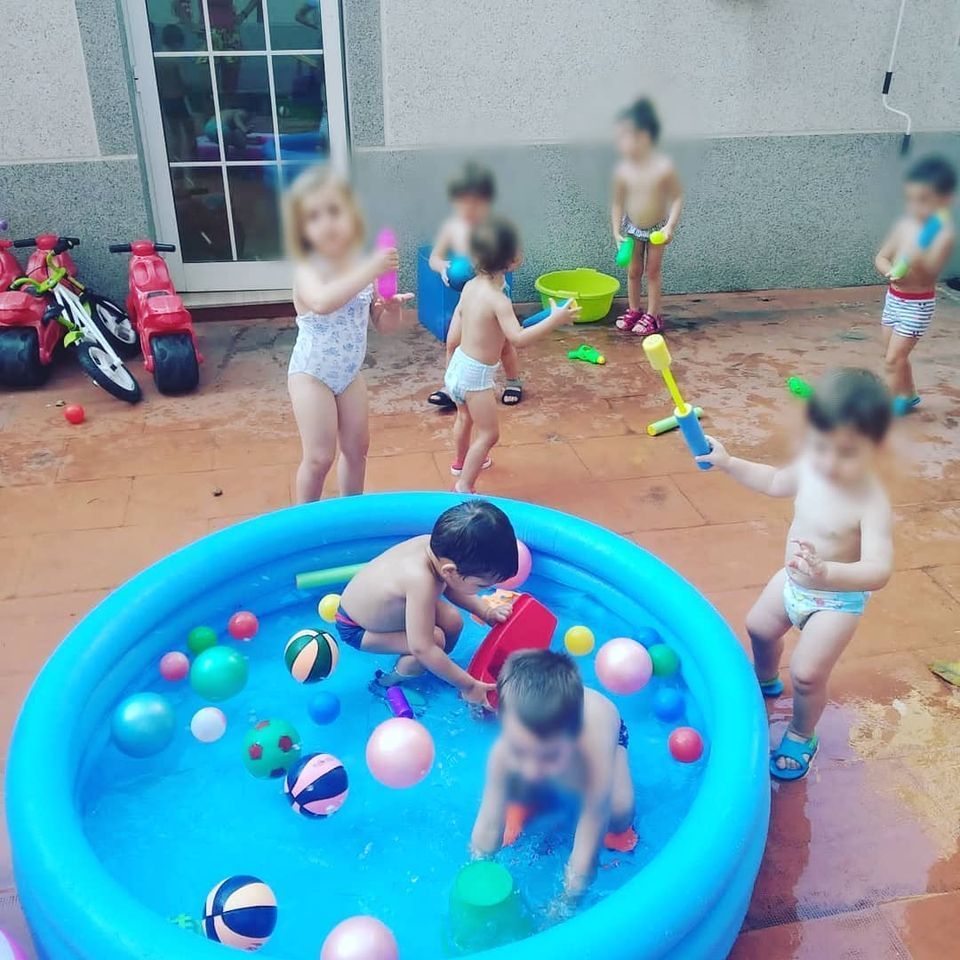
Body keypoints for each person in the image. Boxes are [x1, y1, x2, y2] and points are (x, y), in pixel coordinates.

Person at [696, 369, 894, 781]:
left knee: (806, 674)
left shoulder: (871, 501)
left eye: (846, 453)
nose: (829, 462)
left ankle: (802, 733)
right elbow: (772, 480)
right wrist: (728, 462)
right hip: (792, 581)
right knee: (758, 627)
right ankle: (764, 678)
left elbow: (879, 570)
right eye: (821, 446)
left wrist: (828, 571)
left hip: (837, 600)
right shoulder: (811, 468)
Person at [470, 650, 636, 907]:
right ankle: (525, 801)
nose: (533, 770)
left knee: (619, 813)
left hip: (609, 739)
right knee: (519, 776)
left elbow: (586, 852)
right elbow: (487, 825)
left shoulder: (593, 759)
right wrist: (479, 868)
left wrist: (565, 903)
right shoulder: (504, 751)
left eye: (548, 756)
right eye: (520, 750)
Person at [285, 166, 411, 503]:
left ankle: (349, 514)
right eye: (314, 217)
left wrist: (391, 308)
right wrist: (371, 269)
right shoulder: (307, 269)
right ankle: (304, 520)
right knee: (319, 457)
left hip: (349, 374)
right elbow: (322, 301)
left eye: (334, 211)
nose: (327, 223)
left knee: (357, 449)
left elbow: (383, 325)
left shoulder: (361, 267)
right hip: (312, 373)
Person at [335, 500, 519, 705]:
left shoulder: (439, 552)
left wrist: (486, 612)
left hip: (389, 611)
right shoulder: (420, 580)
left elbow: (451, 585)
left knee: (453, 620)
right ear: (450, 571)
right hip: (358, 628)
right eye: (480, 585)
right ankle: (387, 682)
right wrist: (469, 686)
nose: (483, 590)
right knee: (433, 642)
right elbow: (421, 648)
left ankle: (436, 667)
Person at [446, 217, 579, 493]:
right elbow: (518, 338)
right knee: (489, 434)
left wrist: (450, 351)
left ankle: (460, 463)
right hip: (475, 378)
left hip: (458, 366)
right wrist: (554, 320)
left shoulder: (470, 286)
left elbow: (459, 319)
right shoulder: (499, 300)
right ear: (513, 260)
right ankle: (464, 486)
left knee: (464, 418)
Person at [427, 163, 525, 409]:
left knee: (504, 345)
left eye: (476, 202)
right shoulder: (452, 228)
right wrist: (442, 267)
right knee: (453, 342)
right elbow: (434, 258)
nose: (470, 208)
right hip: (469, 294)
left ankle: (513, 381)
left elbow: (513, 254)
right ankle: (451, 385)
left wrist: (505, 262)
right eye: (463, 202)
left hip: (493, 293)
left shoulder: (494, 229)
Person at [874, 155, 956, 416]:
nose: (915, 206)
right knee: (896, 356)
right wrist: (890, 272)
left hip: (917, 306)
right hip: (893, 299)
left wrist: (916, 257)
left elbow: (929, 273)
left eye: (924, 200)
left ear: (944, 201)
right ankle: (908, 396)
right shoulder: (903, 226)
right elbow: (881, 257)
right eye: (910, 199)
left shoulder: (943, 235)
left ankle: (883, 411)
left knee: (892, 360)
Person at [611, 98, 683, 337]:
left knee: (652, 272)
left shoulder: (663, 167)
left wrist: (670, 227)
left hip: (656, 230)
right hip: (633, 228)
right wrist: (616, 232)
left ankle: (653, 315)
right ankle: (634, 310)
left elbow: (677, 197)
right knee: (633, 271)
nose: (621, 143)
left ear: (644, 136)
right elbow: (617, 202)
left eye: (626, 136)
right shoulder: (623, 170)